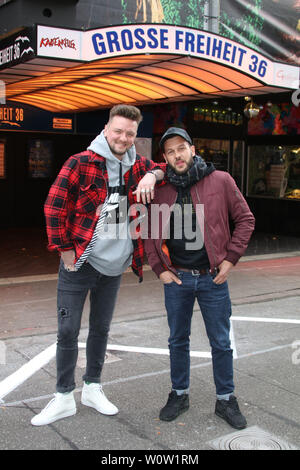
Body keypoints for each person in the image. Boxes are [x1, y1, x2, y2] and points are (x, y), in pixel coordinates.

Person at [31, 104, 164, 426]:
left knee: (101, 330)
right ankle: (64, 396)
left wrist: (152, 174)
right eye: (118, 131)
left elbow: (167, 167)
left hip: (114, 267)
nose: (123, 138)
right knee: (67, 330)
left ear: (135, 137)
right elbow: (53, 208)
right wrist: (65, 253)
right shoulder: (81, 163)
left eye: (130, 133)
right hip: (80, 264)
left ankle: (92, 387)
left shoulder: (137, 165)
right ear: (106, 129)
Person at [144, 127, 255, 429]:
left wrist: (230, 260)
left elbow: (245, 219)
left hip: (212, 279)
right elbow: (150, 232)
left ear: (193, 149)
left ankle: (226, 399)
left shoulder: (220, 180)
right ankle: (179, 394)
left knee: (221, 342)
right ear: (164, 158)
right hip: (177, 279)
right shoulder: (161, 188)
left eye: (181, 148)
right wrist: (160, 269)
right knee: (177, 340)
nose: (177, 155)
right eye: (170, 151)